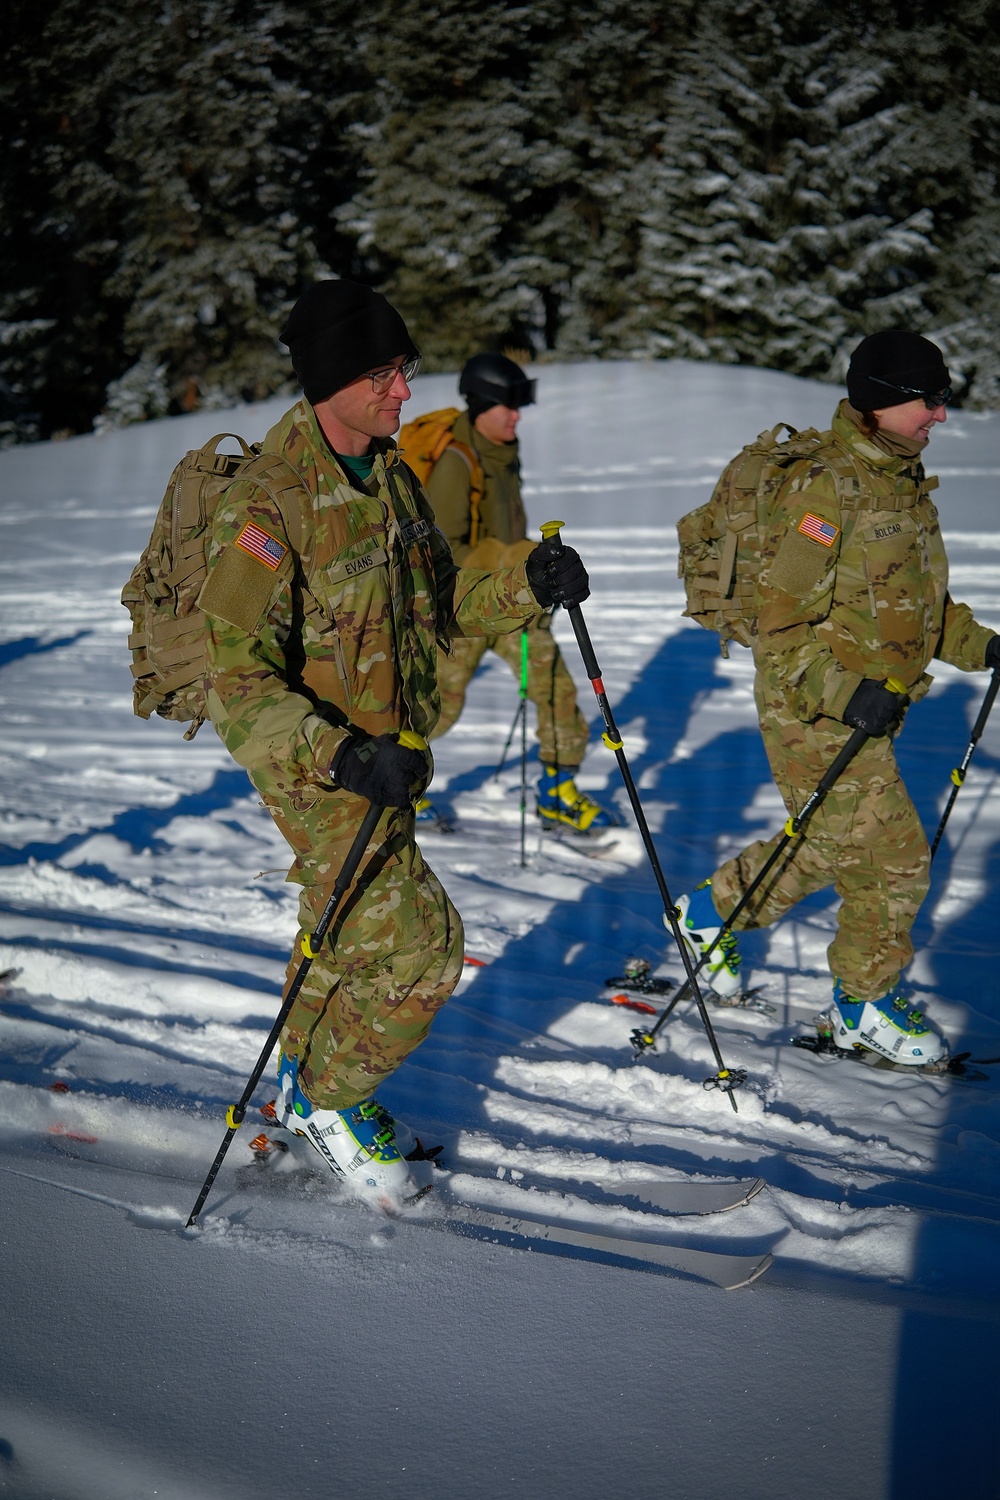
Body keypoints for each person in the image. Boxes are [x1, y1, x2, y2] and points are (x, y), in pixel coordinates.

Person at [198, 280, 590, 1201]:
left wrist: (529, 585)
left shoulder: (389, 476)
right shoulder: (267, 503)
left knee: (339, 937)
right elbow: (236, 681)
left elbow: (443, 603)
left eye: (404, 372)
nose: (404, 393)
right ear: (332, 377)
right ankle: (328, 1100)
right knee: (423, 951)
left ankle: (306, 1078)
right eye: (382, 374)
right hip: (320, 765)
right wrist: (339, 754)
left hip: (392, 753)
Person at [672, 330, 999, 1066]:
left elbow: (920, 605)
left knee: (830, 846)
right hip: (812, 708)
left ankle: (706, 914)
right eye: (930, 399)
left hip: (869, 706)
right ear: (885, 399)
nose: (941, 415)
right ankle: (862, 1002)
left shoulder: (900, 478)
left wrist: (983, 646)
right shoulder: (825, 488)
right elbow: (778, 628)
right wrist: (847, 694)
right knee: (896, 859)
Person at [416, 353, 619, 834]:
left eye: (517, 405)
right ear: (480, 405)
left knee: (557, 693)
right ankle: (395, 784)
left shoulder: (503, 454)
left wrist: (532, 583)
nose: (515, 415)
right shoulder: (455, 463)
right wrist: (518, 558)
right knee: (437, 706)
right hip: (465, 604)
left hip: (513, 601)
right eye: (506, 406)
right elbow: (448, 552)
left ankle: (557, 793)